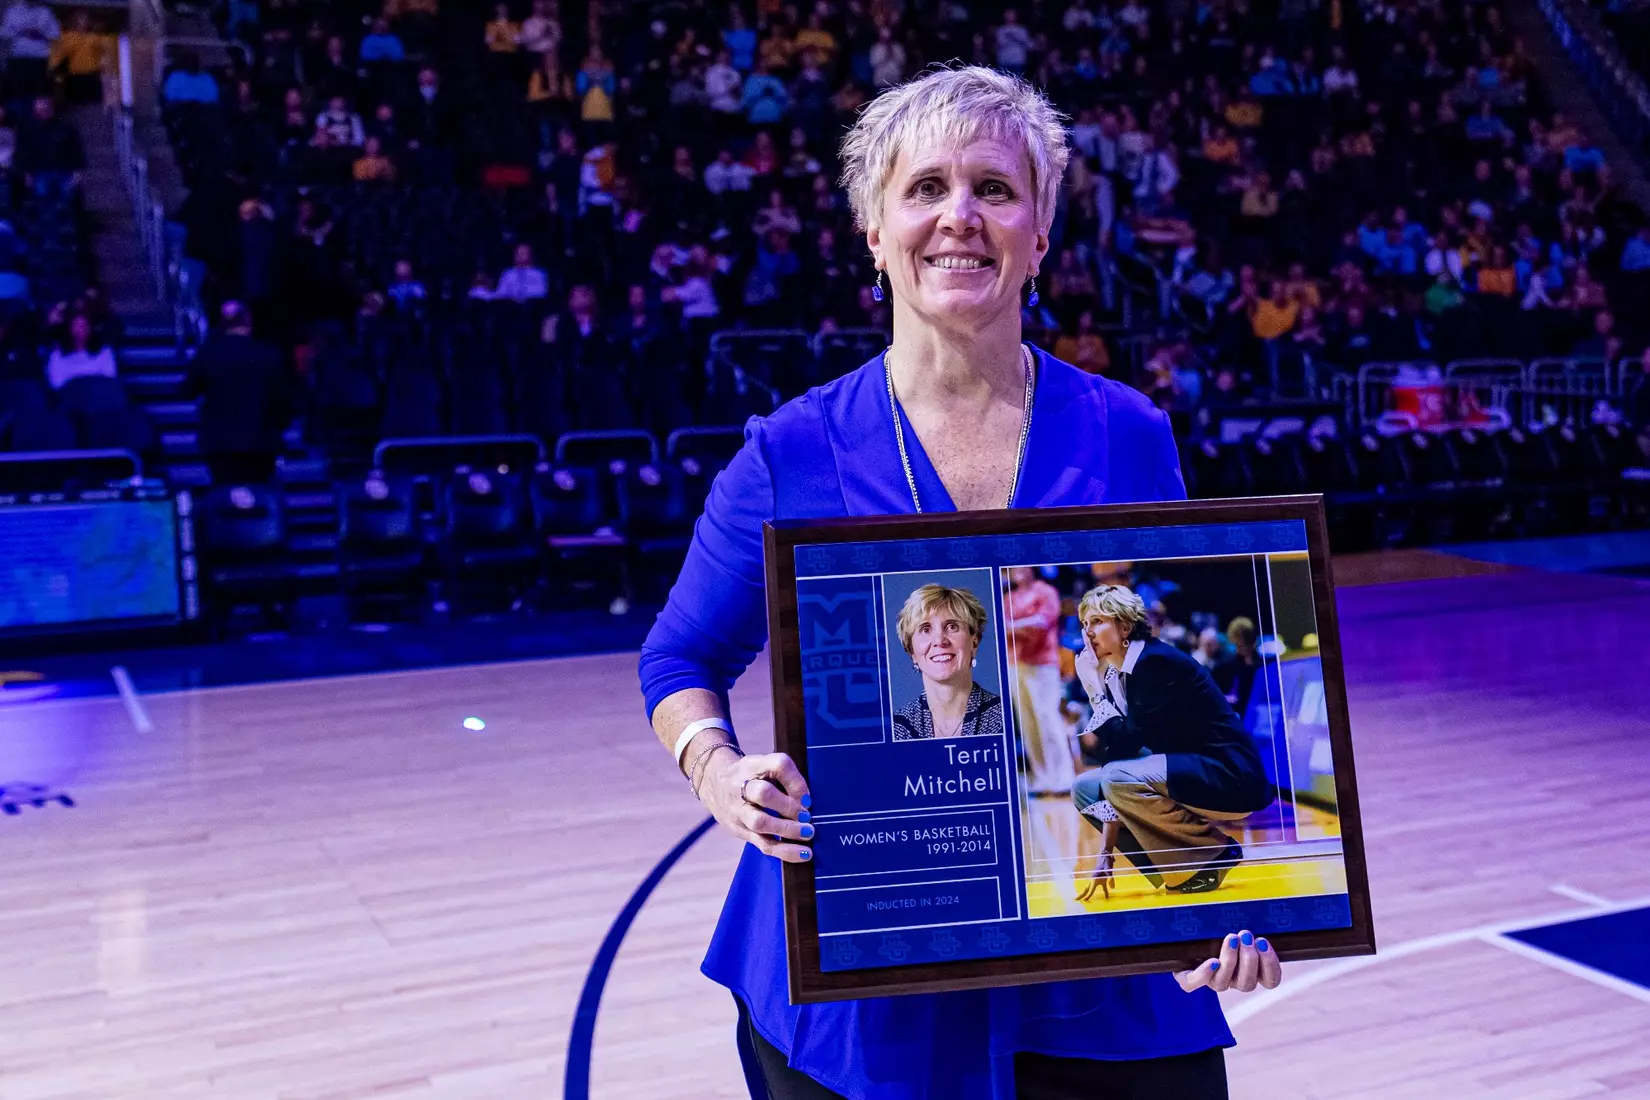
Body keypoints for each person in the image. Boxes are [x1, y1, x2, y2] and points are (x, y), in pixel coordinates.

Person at [638, 67, 1280, 1100]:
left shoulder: (1130, 430)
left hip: (1101, 967)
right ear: (874, 231)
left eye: (995, 187)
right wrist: (719, 774)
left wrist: (1237, 881)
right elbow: (682, 656)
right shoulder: (789, 448)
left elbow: (1186, 670)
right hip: (863, 971)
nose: (960, 217)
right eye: (924, 188)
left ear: (1040, 234)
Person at [1071, 584, 1273, 896]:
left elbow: (1124, 750)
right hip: (1189, 774)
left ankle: (1212, 852)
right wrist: (1106, 852)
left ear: (1124, 626)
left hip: (1229, 776)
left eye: (1096, 622)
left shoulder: (1155, 663)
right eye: (1085, 624)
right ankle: (1170, 866)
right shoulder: (1120, 674)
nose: (1088, 633)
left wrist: (1092, 689)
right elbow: (1118, 759)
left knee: (1115, 778)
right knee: (1085, 788)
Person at [193, 302, 290, 486]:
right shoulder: (268, 355)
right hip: (260, 440)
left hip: (220, 443)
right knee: (259, 496)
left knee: (225, 496)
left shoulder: (209, 354)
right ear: (248, 321)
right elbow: (283, 401)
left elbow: (186, 390)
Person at [891, 583, 1003, 741]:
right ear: (912, 651)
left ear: (974, 641)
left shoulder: (1005, 717)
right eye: (925, 629)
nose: (939, 641)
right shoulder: (897, 728)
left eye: (952, 627)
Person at [1003, 566, 1076, 792]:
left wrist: (1015, 627)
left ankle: (1063, 778)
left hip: (1043, 663)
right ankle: (1043, 778)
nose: (1016, 570)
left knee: (1047, 718)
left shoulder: (1045, 591)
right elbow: (1000, 627)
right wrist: (1023, 626)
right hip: (1015, 662)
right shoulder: (1008, 598)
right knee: (1028, 723)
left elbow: (1043, 622)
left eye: (1020, 566)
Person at [46, 313, 116, 389]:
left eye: (84, 325)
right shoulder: (57, 355)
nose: (81, 329)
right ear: (69, 330)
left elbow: (109, 378)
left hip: (97, 396)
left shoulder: (105, 352)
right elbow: (56, 384)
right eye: (77, 325)